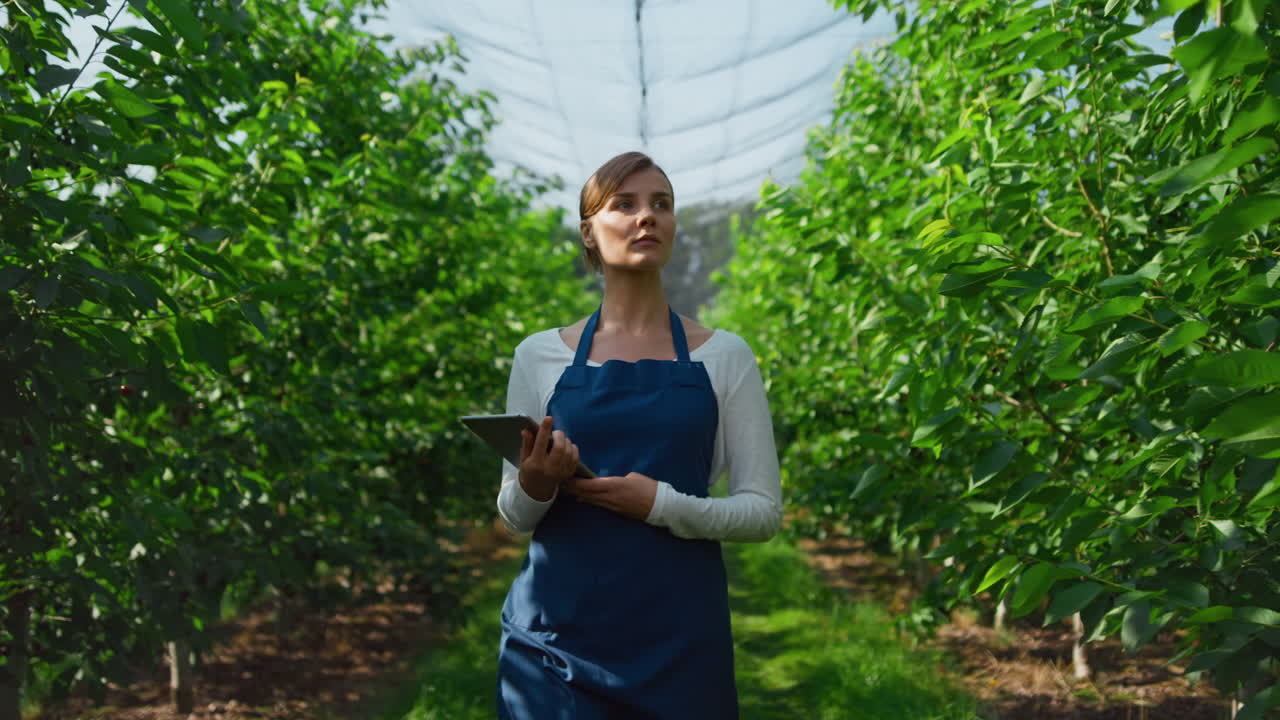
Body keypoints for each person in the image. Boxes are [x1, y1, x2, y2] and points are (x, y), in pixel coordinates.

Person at [494, 151, 783, 719]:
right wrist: (535, 482)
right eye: (624, 205)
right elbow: (513, 515)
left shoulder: (725, 356)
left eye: (661, 205)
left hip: (679, 641)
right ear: (589, 233)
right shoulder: (539, 356)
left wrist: (661, 504)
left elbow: (762, 512)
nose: (646, 217)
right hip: (552, 643)